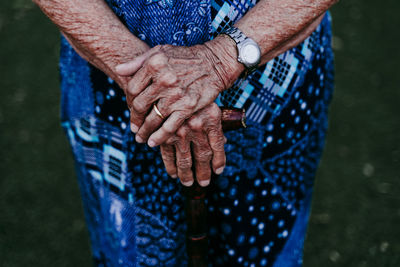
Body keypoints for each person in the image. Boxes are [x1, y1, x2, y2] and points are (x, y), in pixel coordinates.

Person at [33, 0, 338, 266]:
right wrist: (148, 79)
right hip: (112, 93)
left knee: (264, 245)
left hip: (270, 85)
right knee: (130, 251)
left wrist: (220, 61)